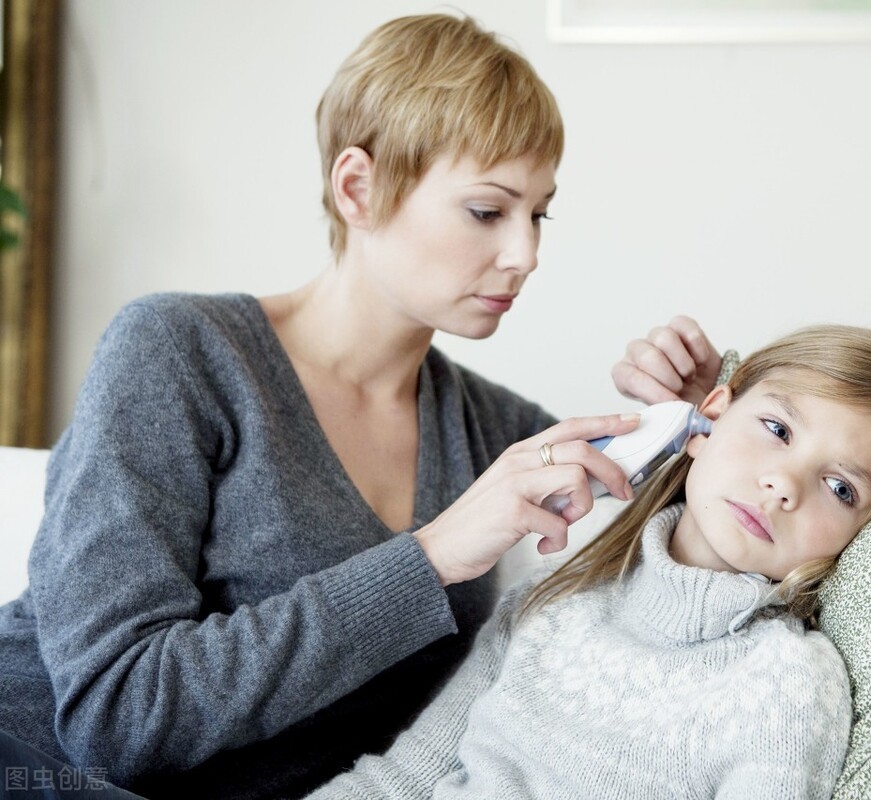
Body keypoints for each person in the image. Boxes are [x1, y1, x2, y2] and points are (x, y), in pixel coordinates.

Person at [0, 14, 724, 800]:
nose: (525, 254)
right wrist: (434, 555)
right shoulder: (180, 352)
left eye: (538, 213)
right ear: (358, 187)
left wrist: (690, 432)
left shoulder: (500, 434)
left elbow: (676, 578)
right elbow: (118, 718)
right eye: (488, 211)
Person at [304, 324, 871, 800]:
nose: (785, 484)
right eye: (778, 430)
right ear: (711, 415)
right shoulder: (554, 599)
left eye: (841, 487)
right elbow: (398, 782)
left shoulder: (789, 683)